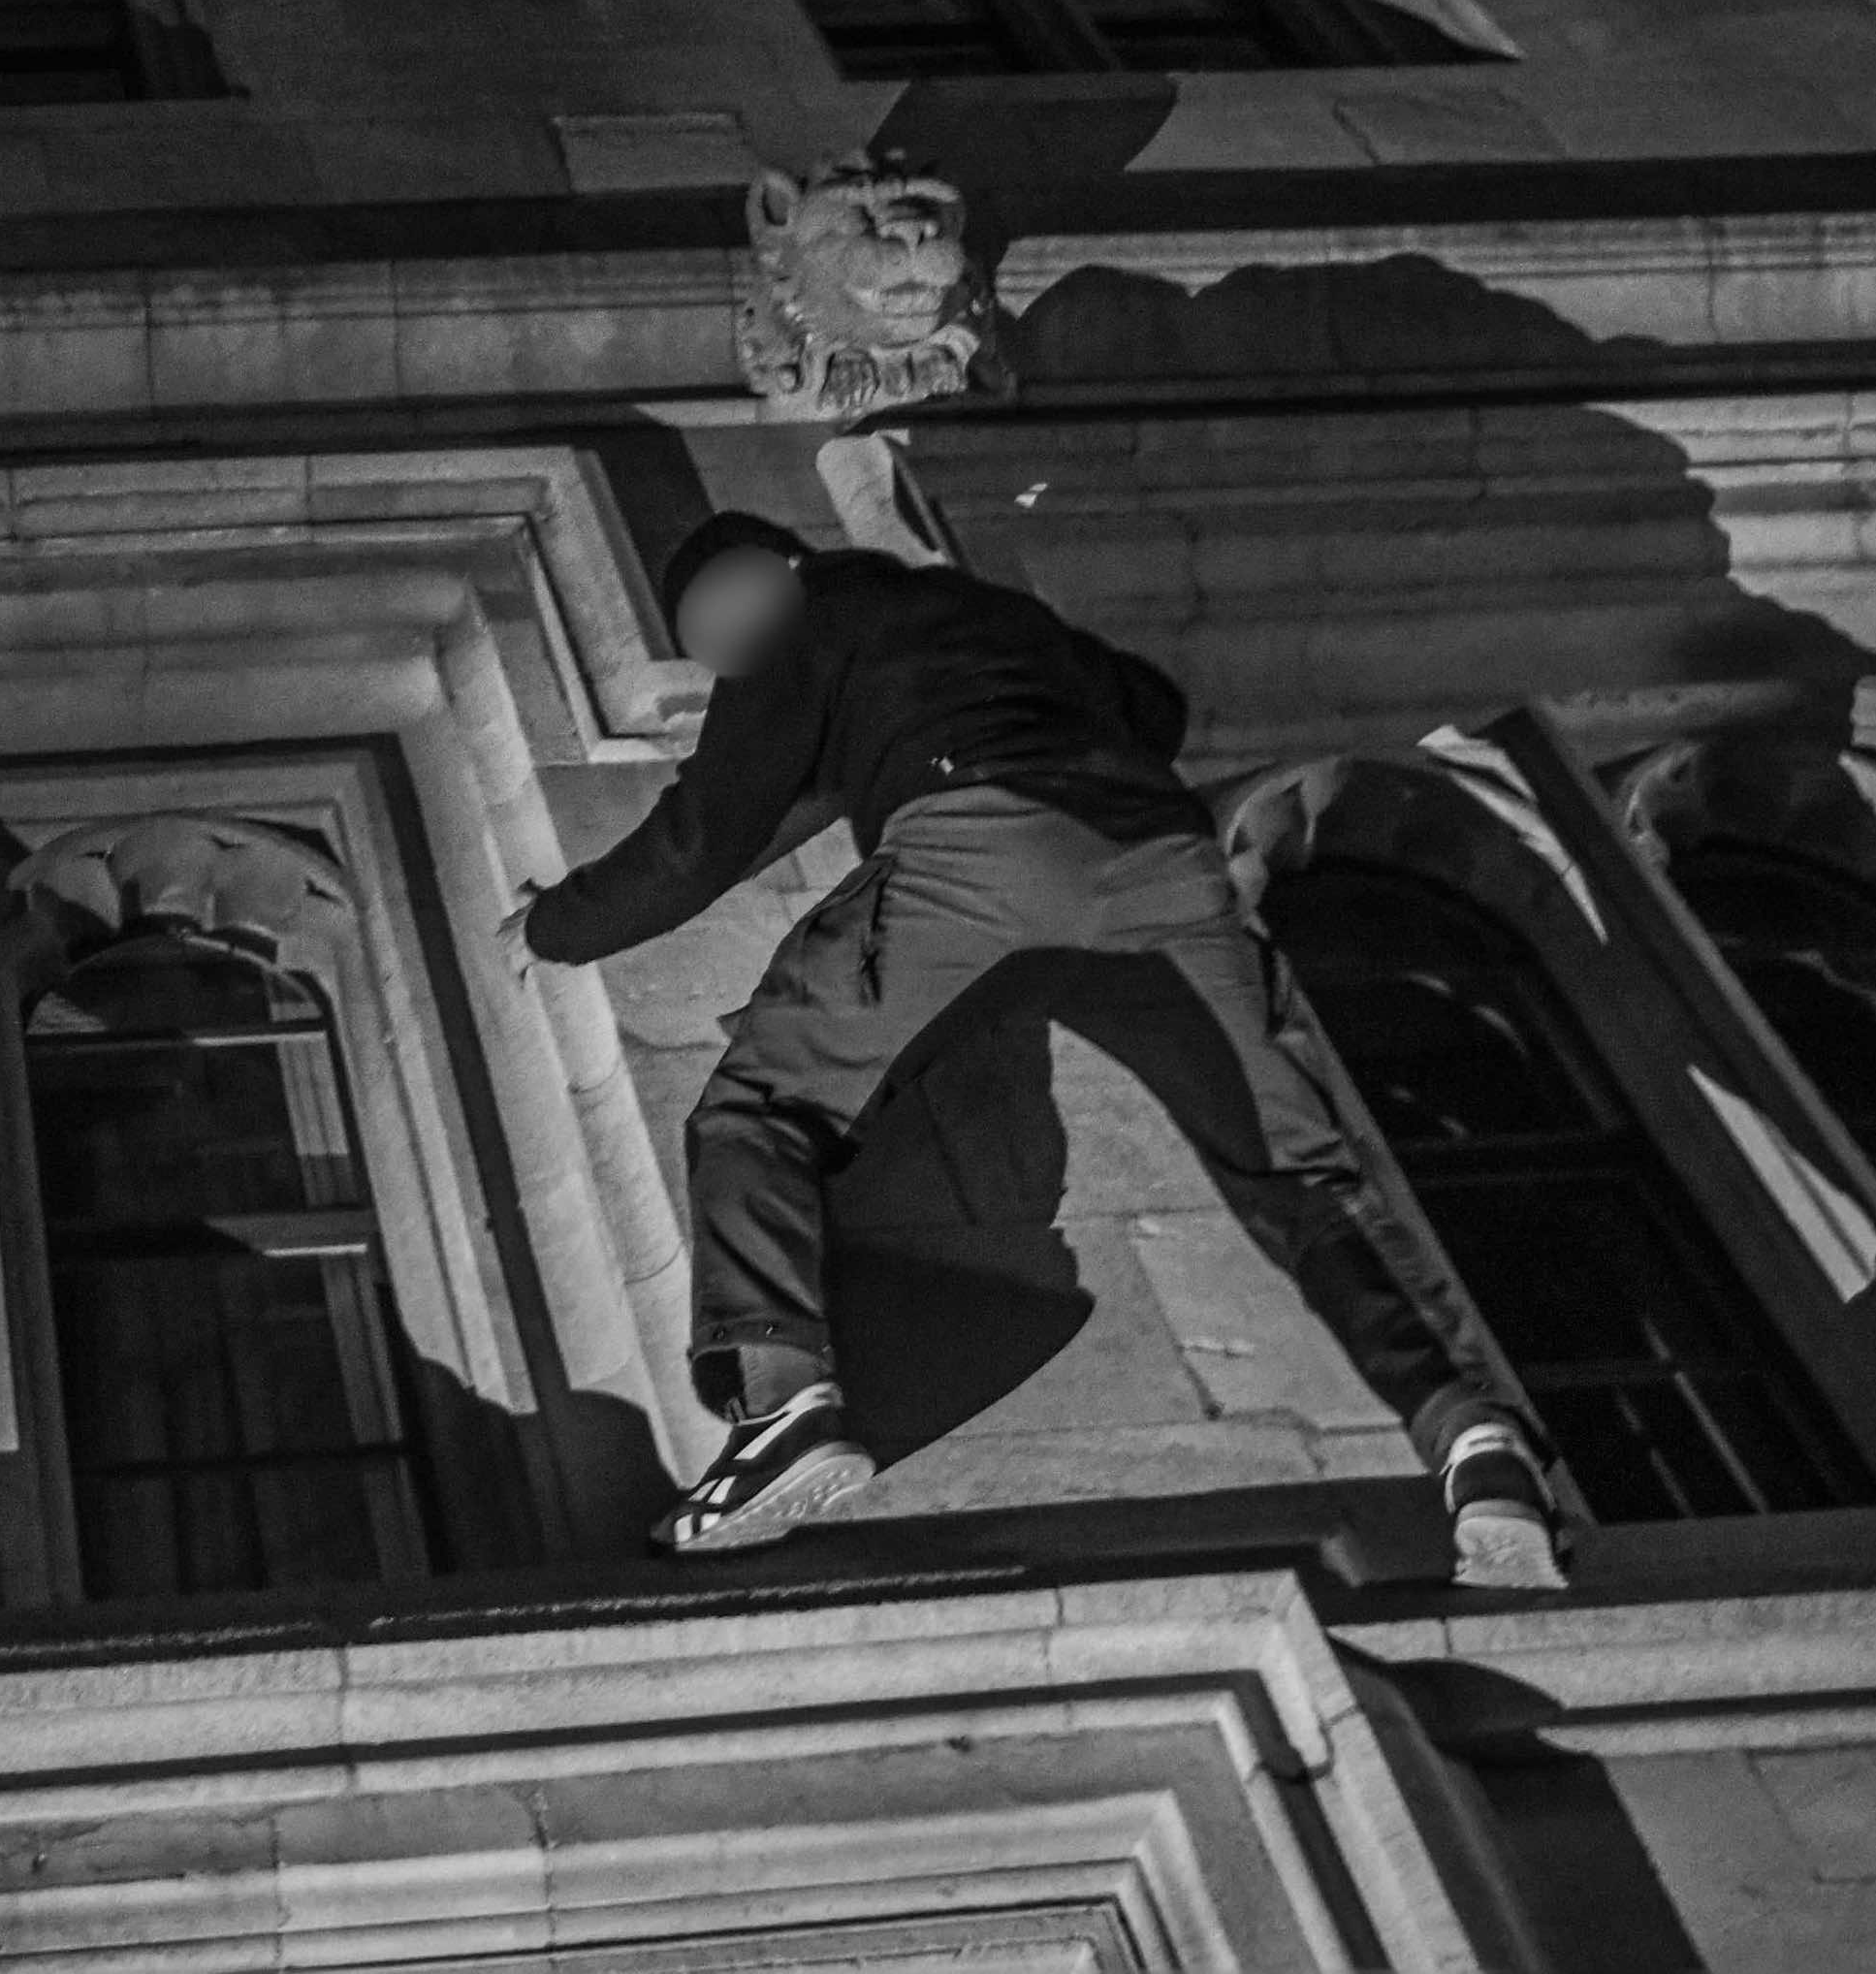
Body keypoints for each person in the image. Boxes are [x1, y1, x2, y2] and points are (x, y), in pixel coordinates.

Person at [509, 510, 1565, 1588]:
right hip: (1162, 866)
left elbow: (703, 834)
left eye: (720, 616)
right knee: (1299, 1172)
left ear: (783, 566)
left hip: (979, 850)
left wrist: (556, 925)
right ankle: (1482, 1448)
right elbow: (1151, 702)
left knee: (757, 1105)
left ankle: (781, 1406)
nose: (725, 648)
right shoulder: (988, 609)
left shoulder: (812, 615)